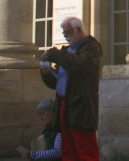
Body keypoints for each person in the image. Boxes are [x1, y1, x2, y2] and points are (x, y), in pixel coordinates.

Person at [42, 17, 101, 161]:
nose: (66, 36)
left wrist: (55, 54)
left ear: (78, 30)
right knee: (68, 149)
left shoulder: (91, 47)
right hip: (64, 104)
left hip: (80, 105)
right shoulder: (68, 51)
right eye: (64, 33)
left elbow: (79, 64)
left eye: (67, 32)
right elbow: (58, 82)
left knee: (84, 148)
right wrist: (47, 73)